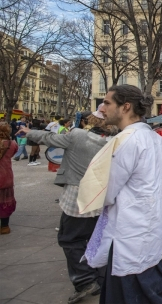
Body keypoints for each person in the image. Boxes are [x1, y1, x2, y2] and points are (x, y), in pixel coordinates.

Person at [82, 85, 162, 304]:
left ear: (125, 107)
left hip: (128, 233)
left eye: (107, 103)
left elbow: (106, 191)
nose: (102, 108)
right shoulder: (158, 140)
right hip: (148, 229)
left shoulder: (125, 141)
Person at [23, 107, 115, 303]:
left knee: (70, 239)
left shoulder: (78, 136)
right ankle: (100, 277)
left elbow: (49, 139)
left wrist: (28, 131)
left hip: (77, 198)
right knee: (96, 238)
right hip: (101, 199)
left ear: (88, 121)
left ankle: (84, 280)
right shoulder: (114, 141)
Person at [0, 123, 18, 234]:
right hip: (6, 176)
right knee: (5, 202)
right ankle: (5, 226)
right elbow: (13, 154)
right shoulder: (12, 144)